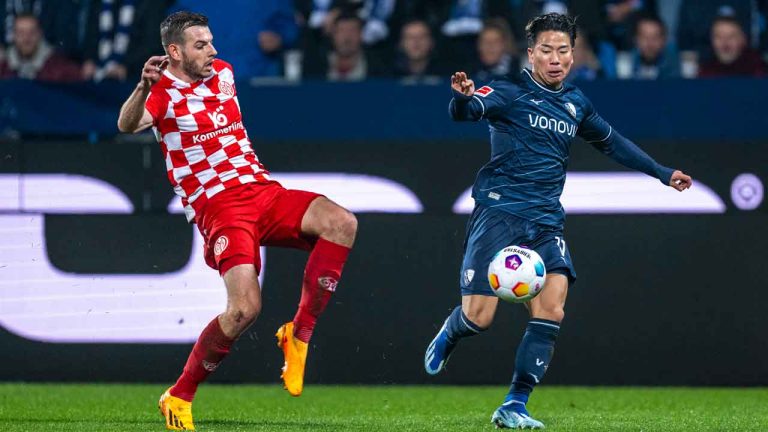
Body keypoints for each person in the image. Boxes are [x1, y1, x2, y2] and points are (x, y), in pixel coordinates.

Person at [424, 13, 691, 429]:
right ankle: (453, 330)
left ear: (573, 54)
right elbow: (470, 109)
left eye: (563, 51)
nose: (555, 59)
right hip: (500, 212)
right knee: (480, 316)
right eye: (546, 50)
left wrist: (662, 172)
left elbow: (613, 143)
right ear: (531, 54)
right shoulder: (510, 92)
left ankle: (515, 404)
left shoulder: (576, 103)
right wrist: (461, 97)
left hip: (546, 219)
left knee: (552, 307)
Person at [116, 11, 357, 431]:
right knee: (244, 309)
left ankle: (298, 335)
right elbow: (127, 124)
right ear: (174, 52)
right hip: (219, 207)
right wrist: (142, 87)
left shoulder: (223, 73)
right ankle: (179, 395)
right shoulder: (161, 93)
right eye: (201, 45)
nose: (213, 51)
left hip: (262, 191)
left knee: (342, 223)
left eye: (211, 42)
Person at [0, 13, 81, 82]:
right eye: (21, 33)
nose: (26, 38)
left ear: (39, 34)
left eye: (32, 32)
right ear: (14, 36)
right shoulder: (3, 68)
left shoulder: (59, 68)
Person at [698, 15, 767, 77]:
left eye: (731, 36)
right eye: (718, 36)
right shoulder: (705, 71)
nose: (725, 43)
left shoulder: (758, 69)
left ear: (743, 39)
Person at [623, 15, 680, 80]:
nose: (650, 44)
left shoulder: (676, 67)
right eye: (644, 37)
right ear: (636, 39)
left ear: (664, 40)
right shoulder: (626, 65)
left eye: (655, 37)